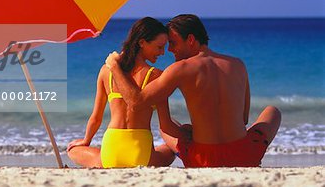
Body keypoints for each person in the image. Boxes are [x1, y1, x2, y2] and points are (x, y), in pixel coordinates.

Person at [105, 14, 281, 168]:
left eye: (173, 43)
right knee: (273, 111)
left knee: (165, 127)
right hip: (244, 156)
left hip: (202, 159)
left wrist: (115, 67)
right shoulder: (237, 64)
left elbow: (136, 102)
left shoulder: (179, 68)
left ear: (190, 40)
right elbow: (243, 119)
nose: (170, 50)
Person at [67, 17, 188, 168]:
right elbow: (166, 126)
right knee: (170, 150)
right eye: (159, 47)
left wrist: (86, 140)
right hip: (141, 154)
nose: (162, 52)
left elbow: (96, 117)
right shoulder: (156, 75)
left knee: (73, 149)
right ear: (142, 43)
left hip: (111, 153)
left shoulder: (106, 71)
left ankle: (97, 157)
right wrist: (188, 136)